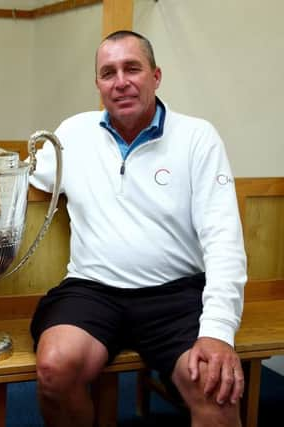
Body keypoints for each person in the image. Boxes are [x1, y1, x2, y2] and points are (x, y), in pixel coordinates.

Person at [29, 30, 247, 427]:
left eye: (133, 68)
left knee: (214, 390)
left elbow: (224, 241)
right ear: (98, 84)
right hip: (93, 290)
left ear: (156, 76)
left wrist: (218, 331)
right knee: (54, 368)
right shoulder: (73, 134)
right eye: (108, 73)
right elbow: (20, 176)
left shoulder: (197, 138)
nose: (121, 81)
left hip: (176, 295)